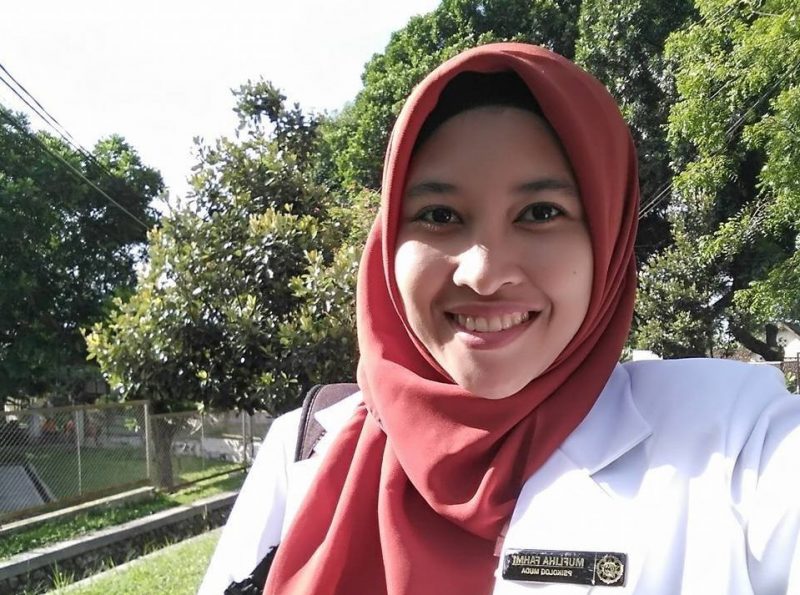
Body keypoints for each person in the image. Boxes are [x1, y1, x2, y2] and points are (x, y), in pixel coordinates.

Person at [200, 43, 800, 594]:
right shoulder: (304, 454)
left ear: (608, 240)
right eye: (439, 216)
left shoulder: (739, 441)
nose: (483, 274)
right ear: (388, 244)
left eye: (540, 212)